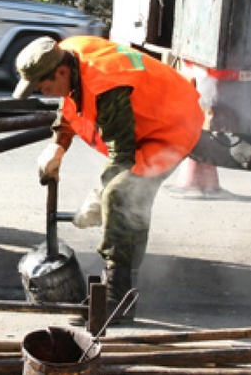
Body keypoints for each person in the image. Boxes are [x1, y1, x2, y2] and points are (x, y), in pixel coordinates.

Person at [13, 36, 204, 319]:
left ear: (62, 71)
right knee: (125, 196)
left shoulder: (106, 87)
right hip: (150, 121)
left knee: (121, 195)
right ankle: (126, 281)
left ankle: (117, 297)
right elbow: (70, 103)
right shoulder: (66, 54)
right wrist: (58, 142)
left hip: (172, 129)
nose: (46, 93)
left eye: (46, 87)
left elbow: (122, 155)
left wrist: (97, 195)